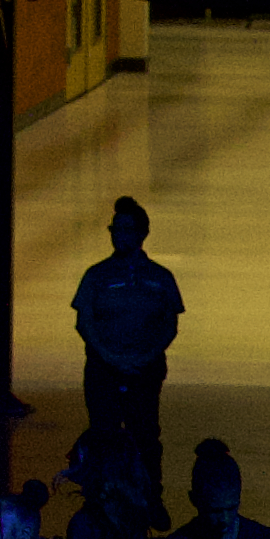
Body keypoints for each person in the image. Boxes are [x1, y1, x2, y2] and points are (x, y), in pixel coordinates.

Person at [72, 194, 182, 464]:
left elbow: (170, 325)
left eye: (125, 229)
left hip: (144, 373)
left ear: (142, 233)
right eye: (114, 229)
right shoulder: (96, 275)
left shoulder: (161, 277)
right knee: (102, 435)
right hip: (103, 372)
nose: (118, 236)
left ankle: (148, 498)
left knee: (144, 438)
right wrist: (111, 358)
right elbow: (83, 322)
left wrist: (145, 358)